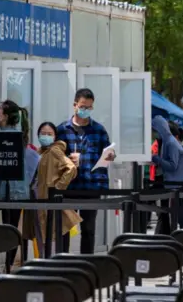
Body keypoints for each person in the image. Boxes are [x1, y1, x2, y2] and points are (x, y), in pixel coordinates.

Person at [0, 100, 39, 267]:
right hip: (18, 192)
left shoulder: (6, 136)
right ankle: (8, 267)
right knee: (11, 228)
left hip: (4, 191)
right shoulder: (19, 135)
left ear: (5, 116)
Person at [56, 88, 115, 254]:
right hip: (68, 187)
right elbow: (54, 158)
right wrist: (68, 160)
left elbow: (106, 153)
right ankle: (62, 263)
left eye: (89, 107)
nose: (85, 110)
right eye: (83, 106)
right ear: (75, 105)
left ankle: (86, 263)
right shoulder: (61, 130)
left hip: (91, 186)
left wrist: (110, 156)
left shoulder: (99, 130)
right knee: (64, 229)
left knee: (89, 229)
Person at [22, 122, 82, 253]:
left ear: (55, 136)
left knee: (50, 233)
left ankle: (51, 264)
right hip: (37, 197)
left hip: (47, 197)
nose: (45, 136)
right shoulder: (39, 152)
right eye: (43, 133)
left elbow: (71, 168)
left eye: (49, 134)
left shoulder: (54, 150)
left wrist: (58, 187)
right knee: (41, 233)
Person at [150, 117, 183, 233]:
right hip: (171, 184)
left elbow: (173, 166)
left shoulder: (174, 145)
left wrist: (156, 159)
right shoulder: (166, 144)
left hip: (177, 186)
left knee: (180, 217)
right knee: (167, 216)